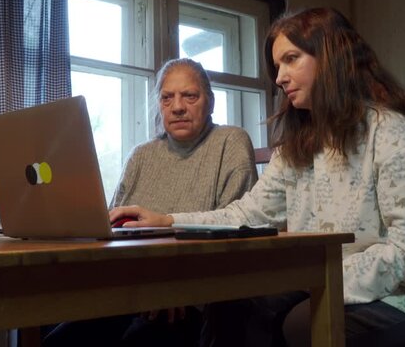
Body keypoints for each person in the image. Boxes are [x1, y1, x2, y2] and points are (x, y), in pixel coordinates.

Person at [112, 7, 405, 347]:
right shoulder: (298, 147)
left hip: (404, 303)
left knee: (297, 326)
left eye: (291, 59)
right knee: (230, 304)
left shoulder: (394, 134)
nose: (279, 78)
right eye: (278, 66)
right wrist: (167, 220)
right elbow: (245, 214)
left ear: (331, 57)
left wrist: (317, 279)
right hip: (321, 284)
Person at [43, 58, 258, 347]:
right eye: (167, 97)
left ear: (211, 102)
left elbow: (234, 230)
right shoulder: (141, 156)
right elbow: (112, 228)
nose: (177, 106)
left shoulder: (230, 141)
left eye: (189, 96)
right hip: (128, 289)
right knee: (56, 339)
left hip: (190, 296)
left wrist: (172, 282)